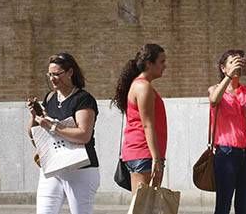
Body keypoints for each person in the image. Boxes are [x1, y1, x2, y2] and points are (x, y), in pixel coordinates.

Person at [26, 52, 100, 214]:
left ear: (70, 72)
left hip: (80, 168)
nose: (52, 79)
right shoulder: (50, 97)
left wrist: (53, 127)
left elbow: (84, 135)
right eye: (50, 74)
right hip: (53, 166)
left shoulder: (83, 99)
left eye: (57, 74)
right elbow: (34, 136)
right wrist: (34, 117)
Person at [208, 49, 246, 214]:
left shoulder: (245, 91)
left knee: (243, 206)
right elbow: (214, 100)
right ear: (223, 68)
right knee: (223, 204)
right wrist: (229, 77)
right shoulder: (214, 89)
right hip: (226, 153)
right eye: (233, 62)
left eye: (239, 62)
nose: (237, 66)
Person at [111, 44, 167, 193]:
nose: (165, 66)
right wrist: (156, 158)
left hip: (143, 154)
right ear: (149, 64)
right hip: (144, 154)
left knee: (146, 206)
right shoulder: (143, 87)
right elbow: (147, 125)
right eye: (161, 62)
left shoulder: (142, 85)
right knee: (142, 206)